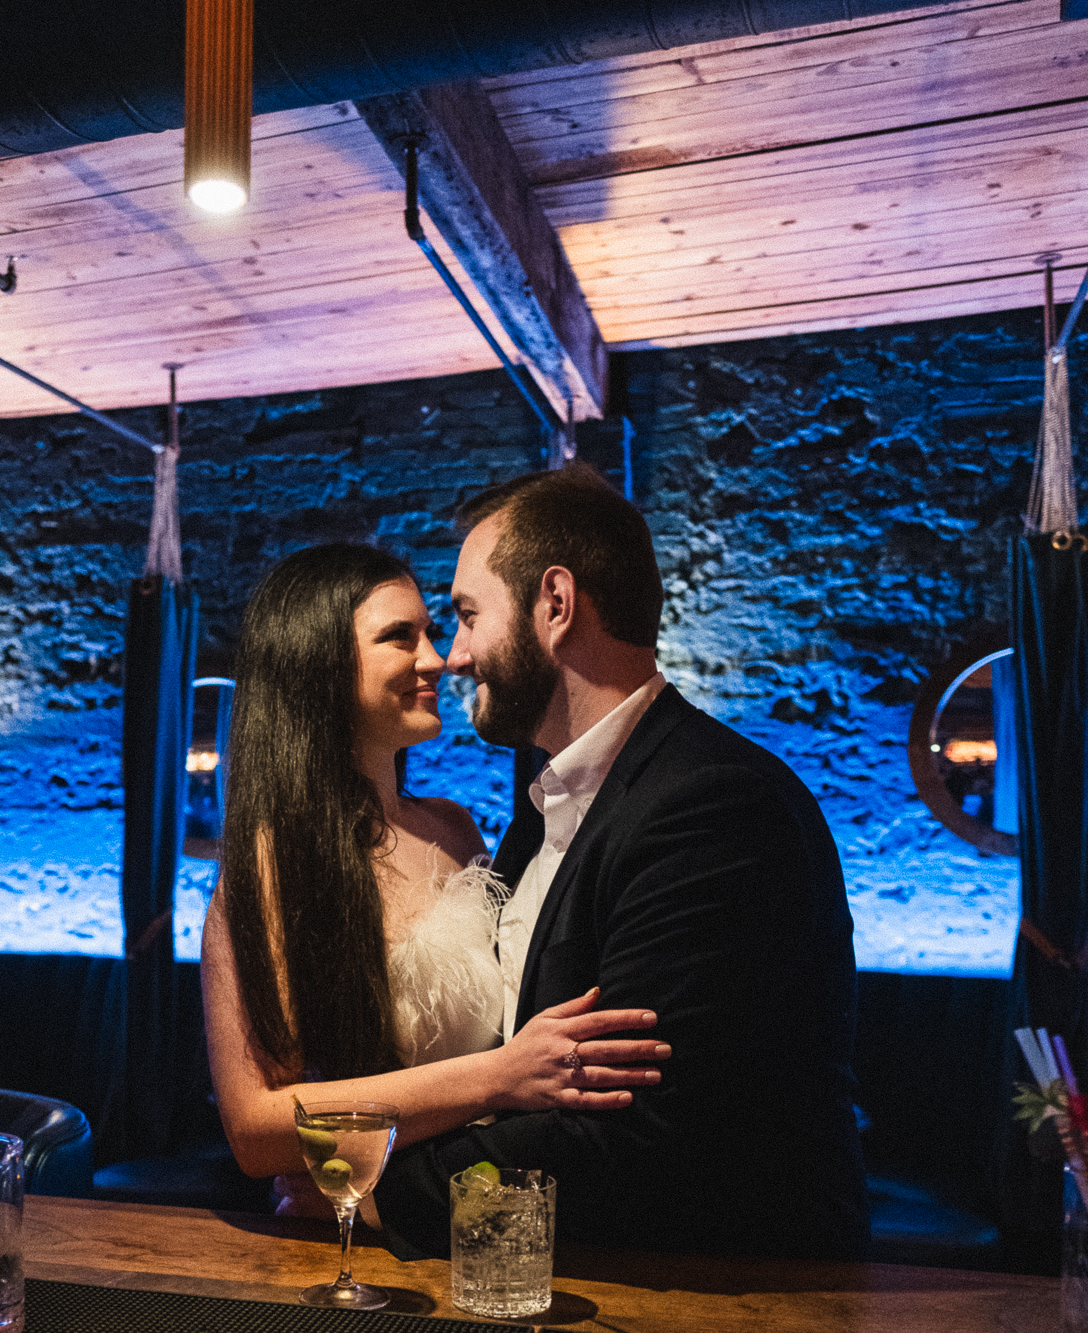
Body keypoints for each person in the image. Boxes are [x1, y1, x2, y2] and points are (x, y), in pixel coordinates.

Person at [364, 462, 869, 1260]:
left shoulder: (710, 805)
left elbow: (640, 1137)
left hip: (730, 1307)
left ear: (555, 605)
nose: (452, 657)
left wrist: (379, 1194)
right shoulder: (551, 797)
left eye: (466, 615)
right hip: (572, 1279)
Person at [200, 542, 670, 1189]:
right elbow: (255, 1129)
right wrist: (496, 1079)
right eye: (399, 638)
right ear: (318, 665)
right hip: (356, 1231)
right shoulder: (272, 864)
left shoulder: (453, 827)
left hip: (481, 1203)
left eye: (431, 631)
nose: (437, 659)